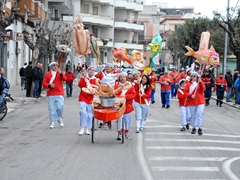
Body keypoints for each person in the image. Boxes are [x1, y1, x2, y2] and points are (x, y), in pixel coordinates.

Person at [42, 62, 67, 129]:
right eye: (54, 66)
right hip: (51, 93)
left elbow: (65, 79)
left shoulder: (60, 73)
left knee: (60, 107)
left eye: (56, 65)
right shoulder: (47, 74)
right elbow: (44, 83)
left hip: (59, 93)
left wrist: (61, 73)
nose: (55, 67)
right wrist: (49, 85)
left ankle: (59, 117)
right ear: (51, 67)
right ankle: (52, 122)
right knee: (52, 109)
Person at [114, 72, 136, 140]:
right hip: (119, 105)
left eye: (124, 76)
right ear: (119, 78)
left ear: (126, 77)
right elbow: (114, 93)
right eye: (121, 76)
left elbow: (133, 95)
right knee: (119, 119)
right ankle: (119, 133)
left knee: (127, 120)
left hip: (128, 105)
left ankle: (126, 131)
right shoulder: (116, 86)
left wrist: (125, 96)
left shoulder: (130, 86)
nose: (122, 78)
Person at [78, 66, 97, 135]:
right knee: (83, 112)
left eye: (93, 70)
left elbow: (98, 89)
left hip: (91, 99)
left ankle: (87, 128)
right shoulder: (85, 78)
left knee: (90, 114)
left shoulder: (96, 80)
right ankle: (82, 127)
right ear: (88, 71)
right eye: (90, 70)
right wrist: (83, 78)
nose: (91, 71)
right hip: (83, 97)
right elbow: (80, 85)